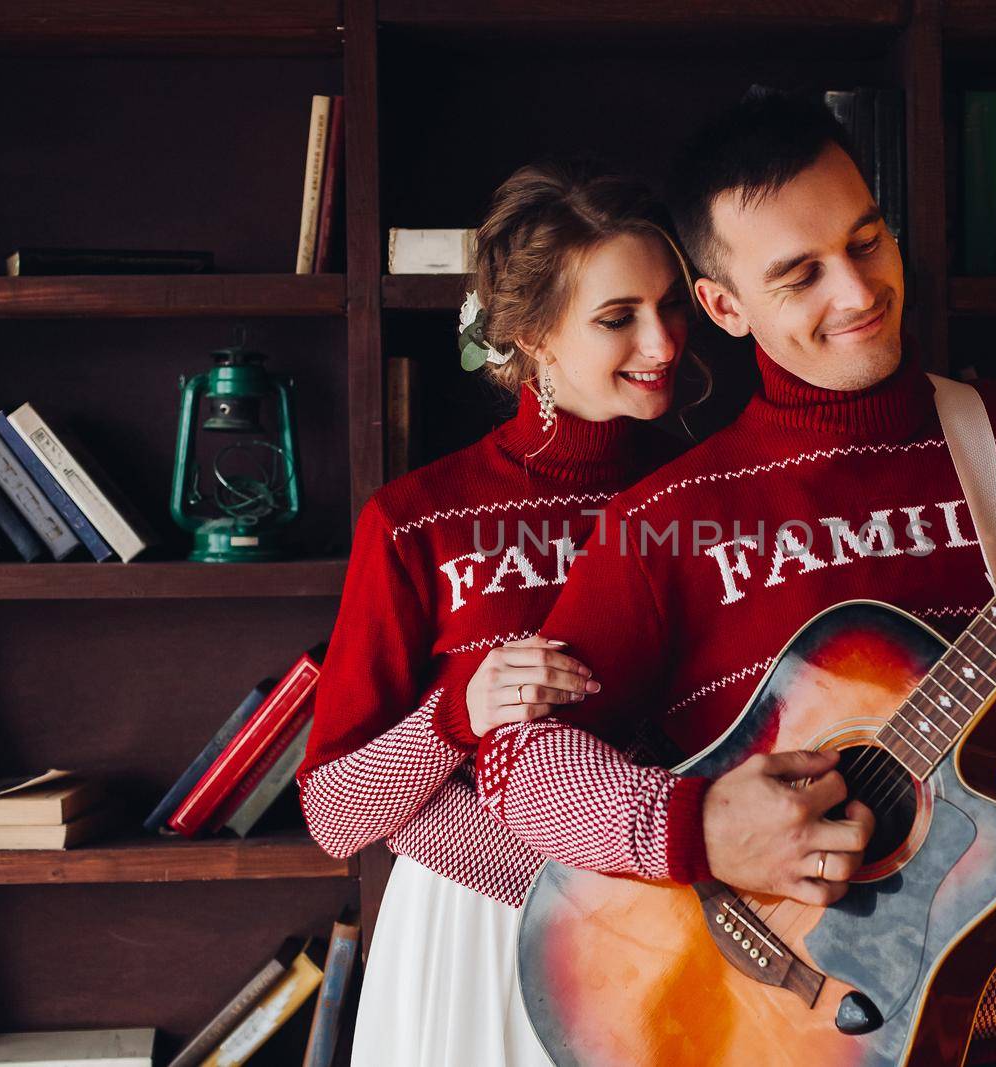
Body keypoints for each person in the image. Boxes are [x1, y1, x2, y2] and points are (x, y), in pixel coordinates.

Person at [421, 93, 996, 1065]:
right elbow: (518, 766)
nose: (857, 291)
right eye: (800, 272)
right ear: (724, 306)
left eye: (867, 241)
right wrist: (698, 828)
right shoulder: (663, 522)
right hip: (765, 1032)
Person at [294, 159, 702, 1066]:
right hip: (474, 937)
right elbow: (332, 811)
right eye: (617, 318)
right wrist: (456, 715)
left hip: (685, 919)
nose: (665, 341)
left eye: (671, 304)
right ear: (531, 336)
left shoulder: (706, 495)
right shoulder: (415, 520)